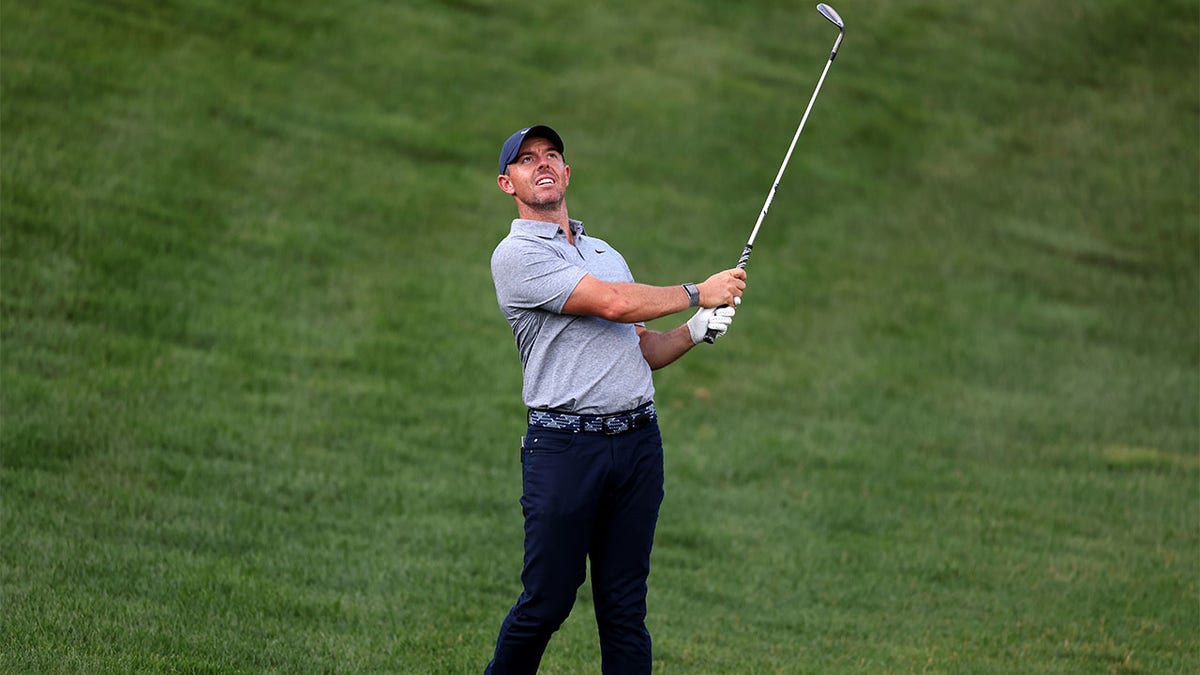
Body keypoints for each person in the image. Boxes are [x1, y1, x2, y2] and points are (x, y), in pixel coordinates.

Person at [485, 124, 747, 674]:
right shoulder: (516, 256)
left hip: (636, 446)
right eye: (527, 160)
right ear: (508, 183)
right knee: (548, 602)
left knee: (625, 609)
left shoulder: (605, 252)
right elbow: (608, 304)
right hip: (564, 449)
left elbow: (640, 349)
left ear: (568, 173)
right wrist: (698, 292)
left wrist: (694, 331)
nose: (543, 165)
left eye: (551, 155)